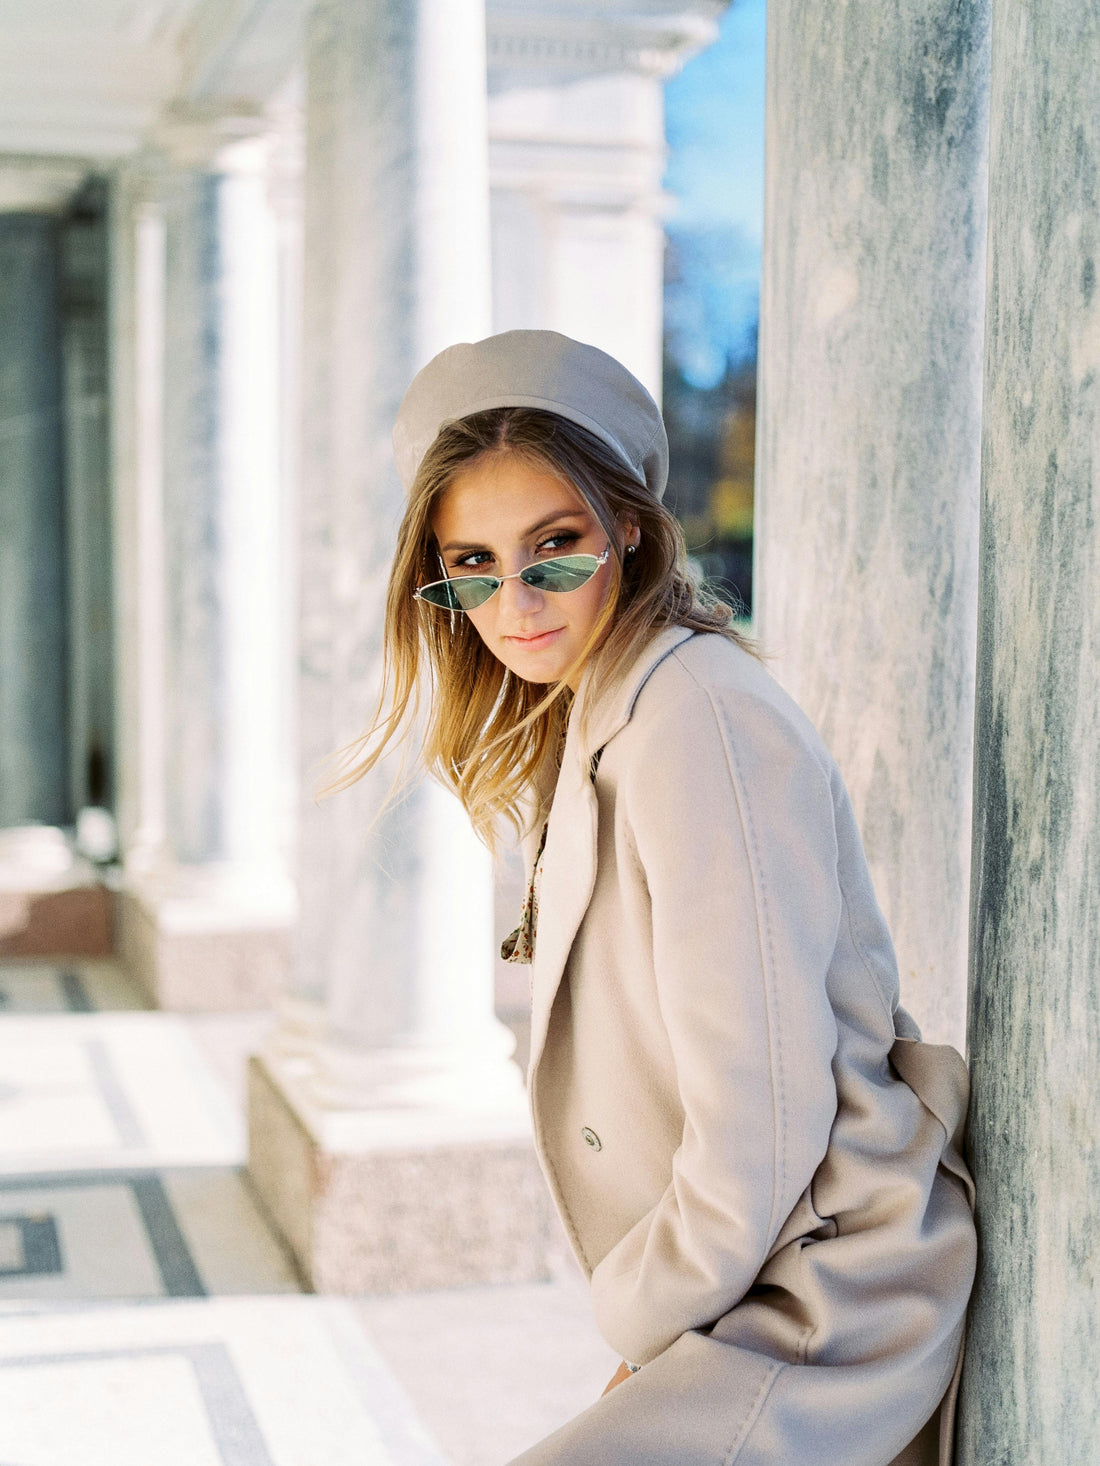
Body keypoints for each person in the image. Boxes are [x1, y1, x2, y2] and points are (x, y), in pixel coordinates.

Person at [335, 329, 977, 1466]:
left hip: (816, 1290)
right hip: (744, 1278)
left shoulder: (694, 718)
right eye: (472, 563)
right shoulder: (603, 706)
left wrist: (651, 1323)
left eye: (554, 547)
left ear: (628, 526)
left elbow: (761, 1111)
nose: (514, 600)